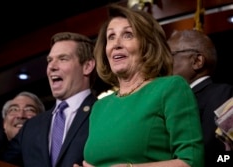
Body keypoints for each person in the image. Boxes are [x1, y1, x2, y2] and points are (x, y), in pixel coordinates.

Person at [77, 4, 204, 167]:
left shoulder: (171, 88)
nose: (116, 44)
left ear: (148, 45)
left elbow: (192, 161)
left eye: (128, 35)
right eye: (111, 37)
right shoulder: (99, 107)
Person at [3, 32, 97, 167]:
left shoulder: (103, 114)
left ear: (87, 66)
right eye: (49, 60)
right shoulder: (31, 127)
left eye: (63, 59)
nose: (52, 67)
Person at [167, 29, 233, 166]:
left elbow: (224, 156)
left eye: (170, 55)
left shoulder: (225, 96)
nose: (163, 62)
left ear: (197, 61)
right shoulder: (170, 100)